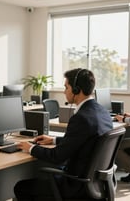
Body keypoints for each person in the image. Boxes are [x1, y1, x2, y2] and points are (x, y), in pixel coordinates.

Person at [14, 68, 113, 200]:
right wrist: (54, 140)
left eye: (66, 87)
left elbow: (57, 157)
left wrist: (30, 147)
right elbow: (85, 141)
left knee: (21, 187)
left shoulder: (81, 118)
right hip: (96, 183)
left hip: (76, 185)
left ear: (77, 90)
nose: (64, 91)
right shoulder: (102, 112)